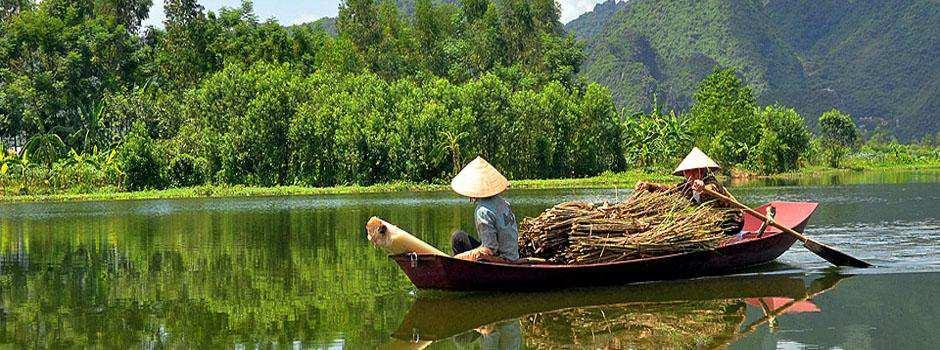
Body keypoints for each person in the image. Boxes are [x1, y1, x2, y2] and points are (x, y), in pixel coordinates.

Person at [634, 147, 743, 235]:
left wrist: (703, 188)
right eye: (688, 172)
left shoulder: (711, 182)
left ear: (702, 170)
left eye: (694, 171)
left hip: (732, 221)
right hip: (713, 222)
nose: (691, 175)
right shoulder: (686, 186)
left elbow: (712, 188)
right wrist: (649, 186)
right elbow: (669, 189)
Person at [449, 156, 520, 262]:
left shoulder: (483, 210)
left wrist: (460, 258)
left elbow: (490, 249)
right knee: (460, 237)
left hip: (502, 260)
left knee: (457, 239)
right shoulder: (503, 203)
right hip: (513, 256)